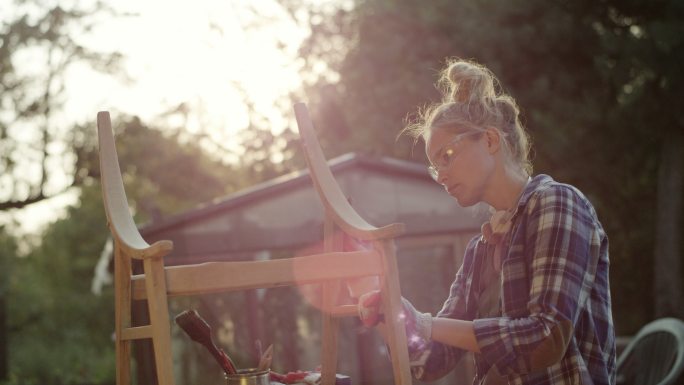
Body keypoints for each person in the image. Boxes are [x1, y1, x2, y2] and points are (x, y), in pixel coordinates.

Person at [356, 58, 616, 385]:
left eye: (446, 156)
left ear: (490, 141)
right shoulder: (480, 249)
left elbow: (546, 338)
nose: (441, 176)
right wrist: (389, 313)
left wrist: (423, 322)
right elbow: (432, 360)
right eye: (435, 168)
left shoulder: (558, 203)